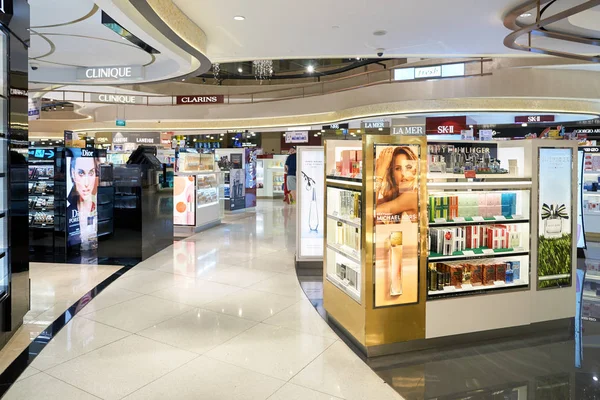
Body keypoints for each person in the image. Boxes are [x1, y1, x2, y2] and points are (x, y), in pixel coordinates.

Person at [375, 146, 418, 223]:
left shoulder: (412, 195)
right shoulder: (393, 196)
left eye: (408, 167)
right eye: (398, 168)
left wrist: (380, 173)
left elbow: (371, 213)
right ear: (392, 173)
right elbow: (367, 211)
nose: (403, 173)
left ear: (414, 171)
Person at [67, 154, 99, 251]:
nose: (86, 183)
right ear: (73, 174)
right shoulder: (68, 214)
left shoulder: (101, 206)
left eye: (91, 173)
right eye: (81, 173)